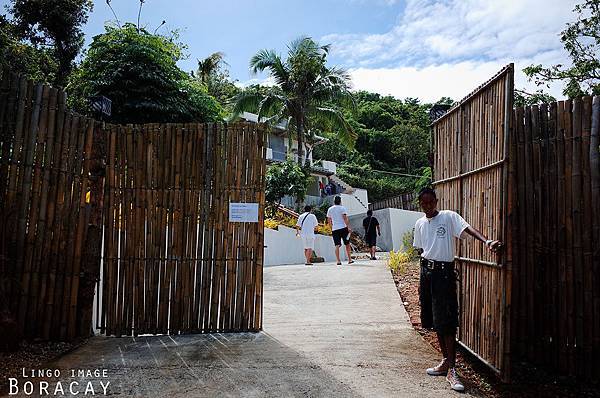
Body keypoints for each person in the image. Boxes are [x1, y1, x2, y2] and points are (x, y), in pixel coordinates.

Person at [413, 187, 502, 392]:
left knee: (448, 321)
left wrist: (486, 241)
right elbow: (422, 249)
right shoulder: (419, 223)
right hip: (427, 274)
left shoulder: (448, 217)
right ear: (420, 204)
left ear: (436, 201)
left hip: (444, 275)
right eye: (424, 203)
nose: (427, 206)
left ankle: (452, 369)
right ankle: (445, 361)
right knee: (435, 320)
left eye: (430, 202)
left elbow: (468, 229)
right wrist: (423, 278)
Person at [326, 196, 354, 266]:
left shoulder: (330, 209)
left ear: (334, 201)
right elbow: (345, 218)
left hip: (335, 229)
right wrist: (348, 227)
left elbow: (329, 220)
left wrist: (331, 227)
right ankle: (350, 259)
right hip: (343, 228)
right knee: (347, 244)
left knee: (337, 245)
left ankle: (338, 261)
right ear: (340, 201)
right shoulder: (342, 208)